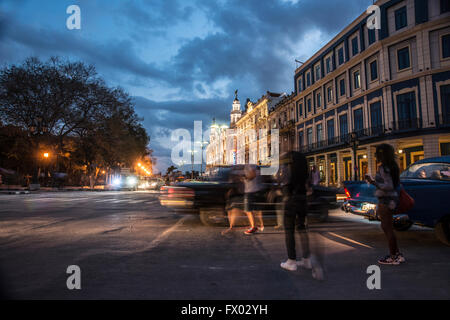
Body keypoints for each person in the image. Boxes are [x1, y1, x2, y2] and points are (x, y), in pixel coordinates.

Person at [280, 152, 324, 279]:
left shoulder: (287, 168)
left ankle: (291, 261)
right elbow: (309, 185)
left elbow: (283, 181)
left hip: (291, 200)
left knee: (289, 230)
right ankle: (306, 259)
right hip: (302, 200)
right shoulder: (305, 169)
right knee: (302, 228)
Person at [365, 144, 405, 265]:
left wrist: (373, 182)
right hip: (392, 199)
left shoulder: (384, 168)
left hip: (386, 200)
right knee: (389, 228)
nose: (376, 155)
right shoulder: (393, 166)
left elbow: (388, 186)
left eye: (377, 153)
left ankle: (393, 257)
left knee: (387, 228)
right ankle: (397, 254)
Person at [222, 166, 245, 235]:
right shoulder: (233, 171)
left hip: (238, 193)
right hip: (233, 193)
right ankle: (231, 226)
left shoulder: (239, 172)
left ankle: (232, 227)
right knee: (230, 210)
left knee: (234, 210)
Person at [243, 164, 265, 235]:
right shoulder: (253, 164)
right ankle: (258, 225)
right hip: (255, 189)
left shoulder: (250, 164)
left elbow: (252, 174)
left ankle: (253, 227)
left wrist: (244, 177)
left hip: (251, 190)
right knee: (255, 209)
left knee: (248, 210)